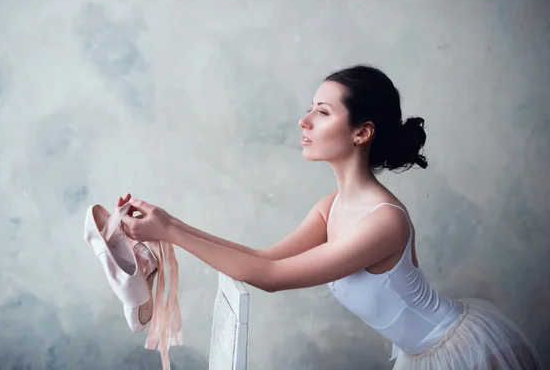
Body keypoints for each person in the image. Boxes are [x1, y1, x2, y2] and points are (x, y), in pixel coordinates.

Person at [118, 65, 542, 369]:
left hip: (459, 352)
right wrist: (168, 225)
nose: (304, 121)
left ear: (362, 132)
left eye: (322, 112)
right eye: (310, 109)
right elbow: (261, 258)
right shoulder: (330, 206)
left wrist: (169, 230)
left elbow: (268, 276)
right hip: (420, 357)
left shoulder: (384, 222)